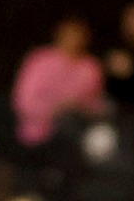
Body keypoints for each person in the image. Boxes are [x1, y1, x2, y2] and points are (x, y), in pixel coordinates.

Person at [11, 15, 106, 148]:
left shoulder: (91, 67)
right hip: (38, 137)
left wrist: (78, 106)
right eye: (70, 34)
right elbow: (23, 102)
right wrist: (55, 109)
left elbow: (98, 105)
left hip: (79, 138)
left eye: (79, 35)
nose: (74, 39)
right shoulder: (39, 60)